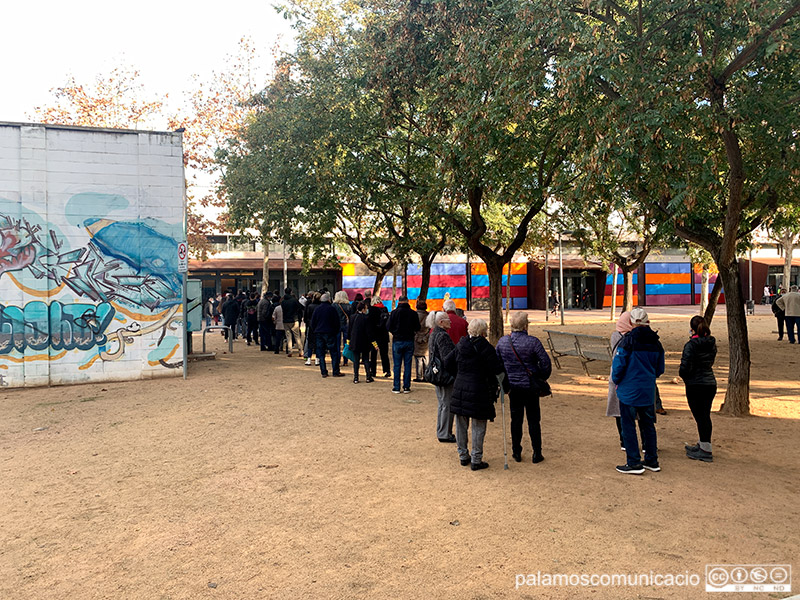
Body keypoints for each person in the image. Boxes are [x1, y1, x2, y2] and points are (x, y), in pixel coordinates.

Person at [444, 318, 504, 471]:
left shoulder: (461, 344)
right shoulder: (486, 348)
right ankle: (476, 459)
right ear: (483, 332)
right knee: (478, 426)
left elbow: (447, 362)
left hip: (461, 388)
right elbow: (497, 369)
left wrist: (459, 375)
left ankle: (463, 455)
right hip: (480, 389)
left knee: (461, 425)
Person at [611, 308, 665, 475]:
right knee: (648, 424)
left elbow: (618, 366)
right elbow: (659, 368)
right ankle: (651, 459)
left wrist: (618, 380)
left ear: (632, 322)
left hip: (629, 389)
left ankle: (634, 462)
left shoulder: (627, 341)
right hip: (647, 390)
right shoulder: (656, 342)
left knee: (628, 426)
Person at [495, 311, 552, 463]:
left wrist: (505, 382)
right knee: (534, 420)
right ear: (526, 326)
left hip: (513, 387)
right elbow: (546, 364)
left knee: (516, 420)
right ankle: (537, 453)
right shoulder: (533, 342)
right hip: (530, 386)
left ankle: (516, 451)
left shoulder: (502, 342)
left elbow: (497, 364)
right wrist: (540, 377)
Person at [679, 315, 717, 463]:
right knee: (704, 416)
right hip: (709, 383)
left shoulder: (691, 345)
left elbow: (685, 366)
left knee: (701, 417)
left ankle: (705, 450)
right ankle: (703, 444)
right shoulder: (711, 343)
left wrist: (686, 377)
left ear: (692, 329)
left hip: (695, 384)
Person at [427, 311, 456, 443]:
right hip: (444, 375)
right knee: (446, 404)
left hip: (437, 372)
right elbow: (447, 358)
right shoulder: (443, 336)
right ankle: (445, 433)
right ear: (441, 322)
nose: (450, 321)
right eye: (447, 320)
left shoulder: (434, 333)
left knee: (442, 403)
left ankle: (442, 431)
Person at [606, 311, 633, 450]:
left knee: (618, 410)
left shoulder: (615, 335)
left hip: (615, 375)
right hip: (627, 375)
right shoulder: (632, 337)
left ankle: (623, 440)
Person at [386, 295, 420, 394]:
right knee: (407, 364)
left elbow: (388, 326)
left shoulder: (394, 313)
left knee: (397, 365)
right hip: (409, 340)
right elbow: (417, 327)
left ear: (398, 302)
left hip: (397, 340)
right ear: (408, 302)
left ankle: (396, 387)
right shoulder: (413, 313)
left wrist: (394, 332)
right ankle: (406, 387)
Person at [310, 293, 344, 378]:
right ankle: (335, 371)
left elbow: (313, 322)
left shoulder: (317, 309)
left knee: (321, 353)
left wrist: (315, 330)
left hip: (319, 332)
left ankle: (323, 371)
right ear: (329, 299)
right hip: (330, 332)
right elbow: (337, 322)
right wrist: (336, 331)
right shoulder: (332, 309)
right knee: (334, 352)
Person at [348, 302, 374, 383]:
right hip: (365, 341)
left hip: (355, 341)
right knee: (366, 359)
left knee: (356, 360)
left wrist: (348, 341)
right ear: (363, 309)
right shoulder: (366, 318)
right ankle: (368, 376)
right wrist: (374, 343)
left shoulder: (352, 317)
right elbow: (369, 332)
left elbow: (349, 330)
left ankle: (356, 377)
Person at [367, 297, 391, 378]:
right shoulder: (385, 309)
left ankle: (373, 371)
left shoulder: (371, 310)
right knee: (384, 354)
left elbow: (369, 324)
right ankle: (387, 370)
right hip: (384, 335)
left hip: (375, 335)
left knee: (373, 355)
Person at [280, 287, 303, 357]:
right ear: (291, 292)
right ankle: (300, 350)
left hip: (286, 320)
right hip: (294, 319)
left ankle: (290, 351)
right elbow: (300, 307)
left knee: (288, 336)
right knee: (297, 336)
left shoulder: (283, 302)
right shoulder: (294, 300)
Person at [333, 291, 352, 366]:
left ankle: (337, 360)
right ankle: (345, 360)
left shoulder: (334, 305)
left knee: (337, 344)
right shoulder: (349, 306)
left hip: (336, 325)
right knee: (346, 343)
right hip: (346, 325)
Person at [413, 300, 430, 382]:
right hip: (426, 338)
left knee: (418, 359)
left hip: (416, 338)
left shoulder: (414, 315)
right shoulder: (428, 316)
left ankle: (419, 376)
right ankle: (427, 376)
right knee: (426, 358)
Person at [303, 292, 321, 365]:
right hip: (319, 326)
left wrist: (307, 322)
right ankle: (317, 359)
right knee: (318, 343)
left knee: (310, 342)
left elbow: (307, 316)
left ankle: (309, 358)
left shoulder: (310, 306)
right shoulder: (320, 306)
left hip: (311, 326)